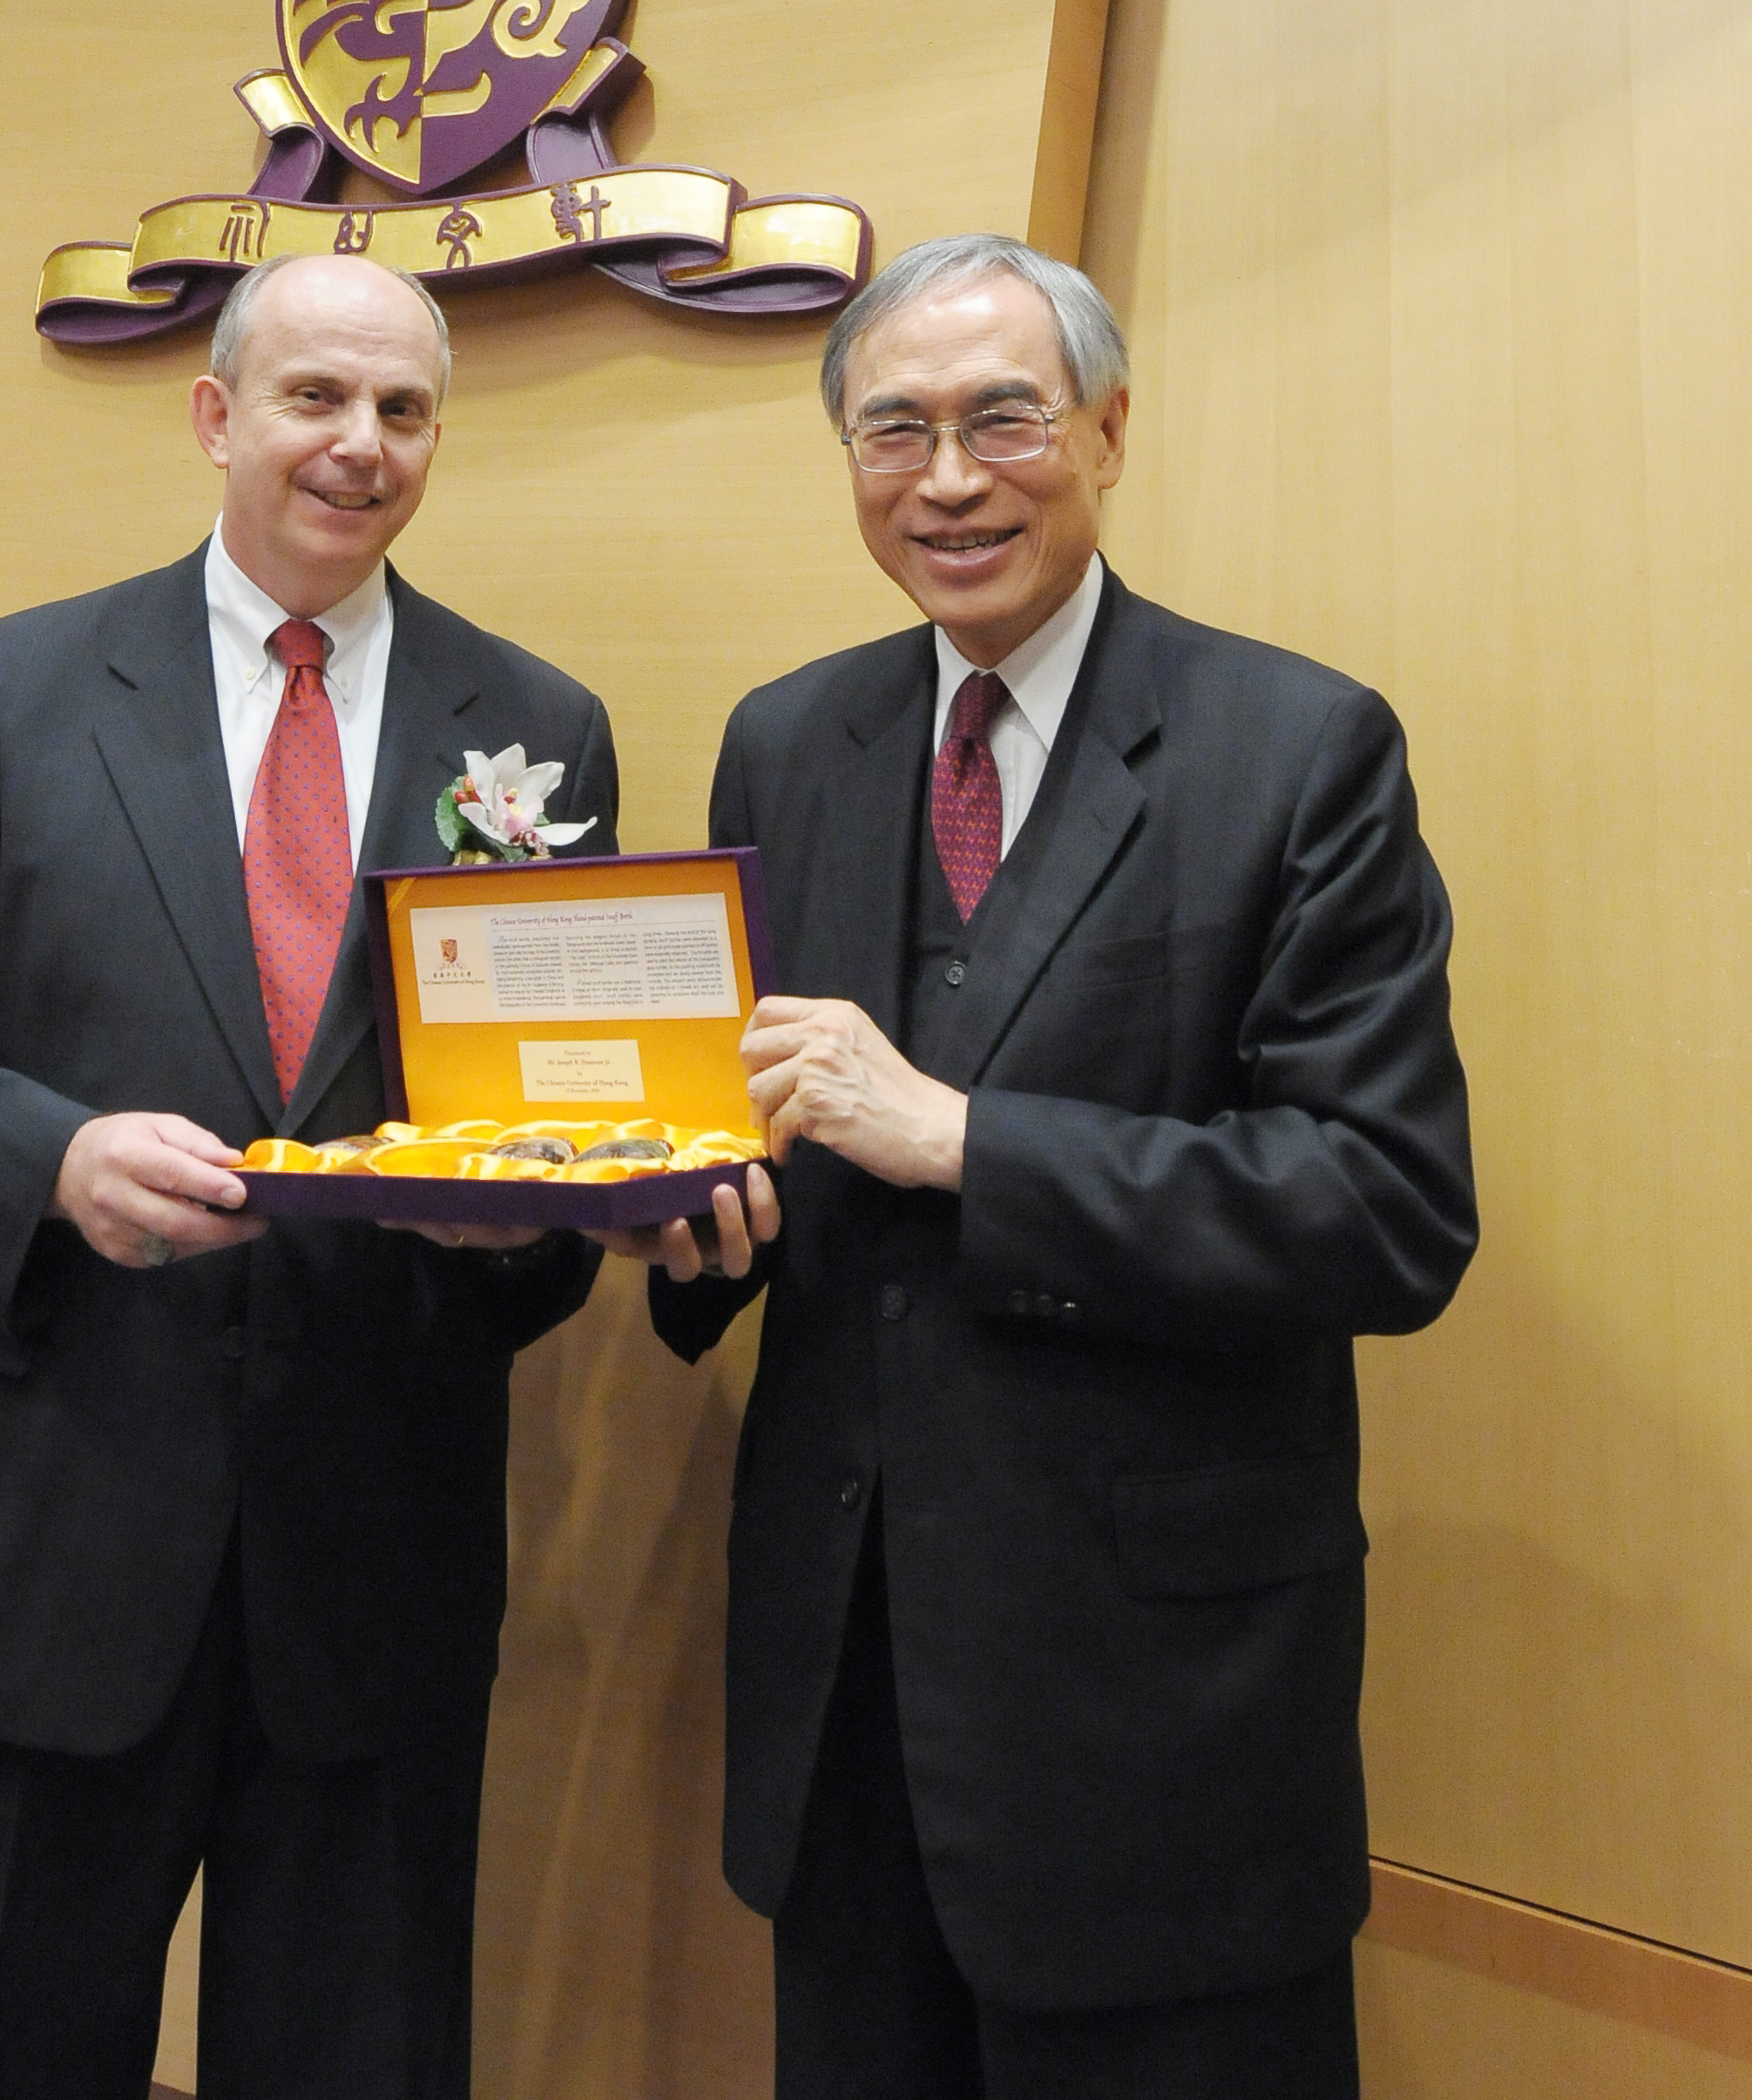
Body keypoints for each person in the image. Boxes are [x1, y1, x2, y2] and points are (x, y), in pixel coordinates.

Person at [628, 232, 1476, 2100]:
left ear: (1103, 427)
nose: (946, 477)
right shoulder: (788, 740)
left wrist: (963, 1138)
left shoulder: (1293, 746)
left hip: (1158, 1717)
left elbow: (1383, 1208)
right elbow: (766, 1153)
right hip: (844, 1702)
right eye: (891, 430)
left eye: (1001, 416)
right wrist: (685, 1228)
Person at [0, 254, 614, 2100]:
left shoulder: (537, 729)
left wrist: (505, 1215)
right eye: (317, 396)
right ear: (215, 414)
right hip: (57, 1540)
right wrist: (53, 1153)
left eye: (402, 409)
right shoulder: (18, 683)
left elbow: (563, 1145)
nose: (359, 443)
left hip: (372, 1568)